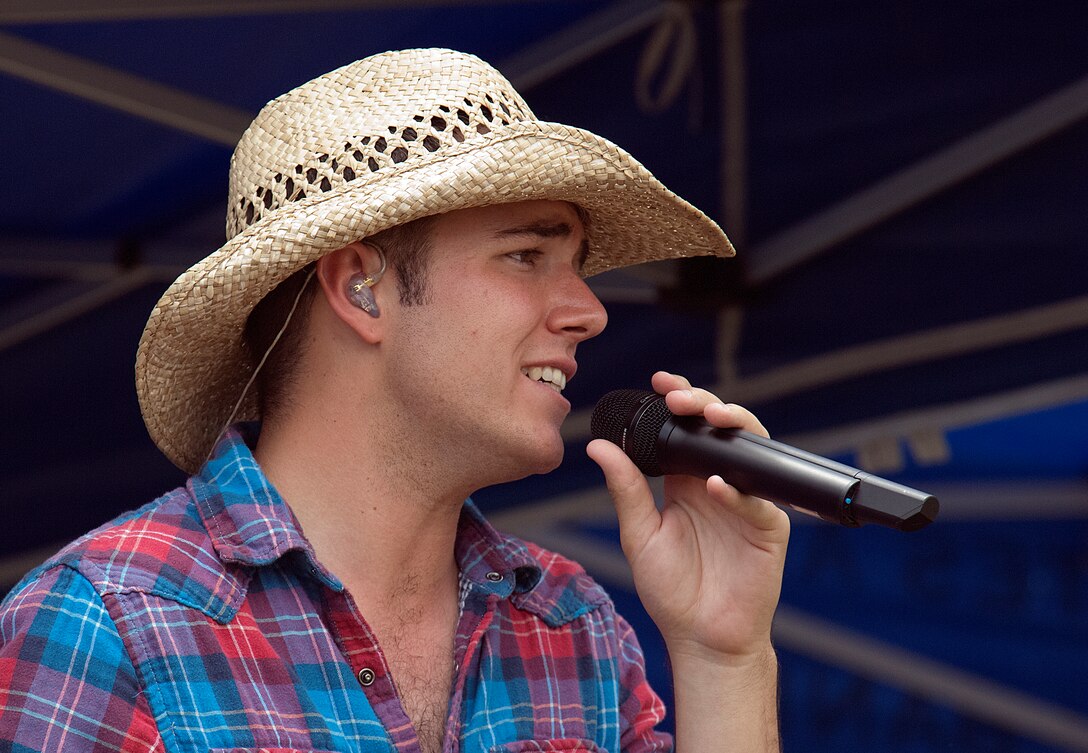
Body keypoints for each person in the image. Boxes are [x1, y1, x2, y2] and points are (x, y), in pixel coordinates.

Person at [0, 48, 789, 752]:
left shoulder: (572, 628)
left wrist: (726, 657)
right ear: (360, 288)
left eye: (577, 263)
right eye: (525, 255)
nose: (589, 311)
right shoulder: (108, 622)